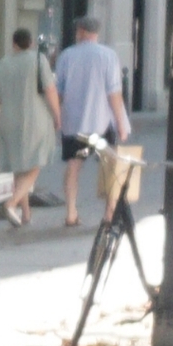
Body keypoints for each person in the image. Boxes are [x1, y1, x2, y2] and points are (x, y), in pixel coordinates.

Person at [53, 16, 130, 227]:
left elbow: (57, 91)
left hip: (74, 124)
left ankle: (71, 212)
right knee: (109, 167)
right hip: (101, 123)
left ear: (80, 31)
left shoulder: (66, 56)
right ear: (96, 32)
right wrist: (121, 123)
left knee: (73, 167)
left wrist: (56, 117)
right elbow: (114, 93)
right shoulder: (108, 56)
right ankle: (109, 212)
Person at [0, 28, 59, 226]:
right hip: (34, 119)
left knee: (19, 167)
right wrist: (57, 115)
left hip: (8, 120)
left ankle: (26, 213)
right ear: (31, 43)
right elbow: (50, 90)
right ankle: (11, 203)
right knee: (36, 163)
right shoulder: (38, 60)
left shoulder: (2, 64)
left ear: (13, 44)